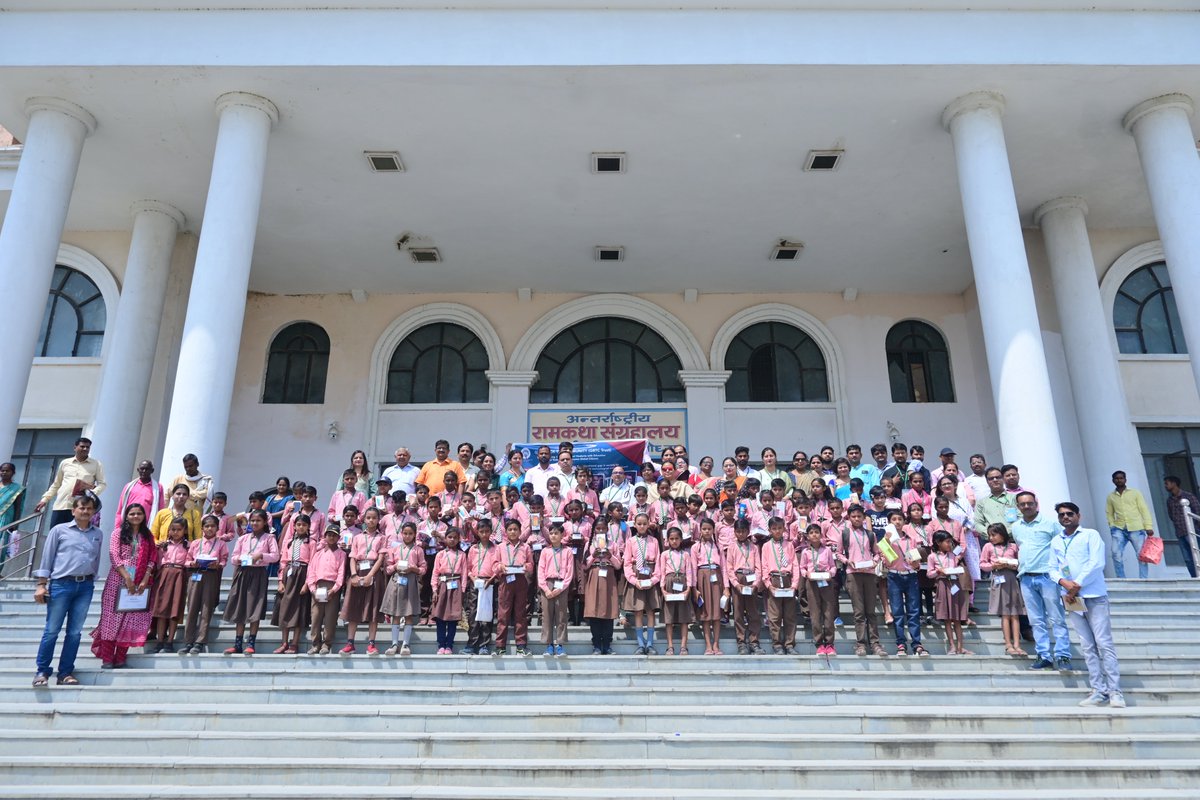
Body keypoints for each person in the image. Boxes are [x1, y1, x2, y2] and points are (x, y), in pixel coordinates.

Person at [1050, 501, 1124, 707]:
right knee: (1087, 645)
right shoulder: (1056, 540)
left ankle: (1115, 691)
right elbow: (1052, 567)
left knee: (1103, 643)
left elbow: (1097, 563)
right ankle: (1098, 689)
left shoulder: (1090, 535)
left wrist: (1077, 584)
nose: (1065, 517)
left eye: (1069, 514)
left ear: (1078, 516)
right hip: (1071, 598)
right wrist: (1063, 582)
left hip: (1093, 595)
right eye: (1062, 515)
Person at [34, 493, 104, 686]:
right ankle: (42, 671)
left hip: (85, 586)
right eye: (82, 508)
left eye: (89, 508)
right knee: (52, 630)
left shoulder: (97, 534)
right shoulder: (59, 530)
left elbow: (96, 560)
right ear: (73, 510)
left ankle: (65, 672)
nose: (85, 511)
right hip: (61, 584)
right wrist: (41, 584)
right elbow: (47, 557)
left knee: (74, 632)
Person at [87, 500, 153, 671]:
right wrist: (127, 579)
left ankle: (120, 658)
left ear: (144, 516)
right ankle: (108, 659)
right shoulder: (117, 533)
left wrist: (145, 579)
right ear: (126, 516)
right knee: (111, 619)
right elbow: (114, 556)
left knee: (131, 620)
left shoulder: (148, 535)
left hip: (140, 582)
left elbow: (152, 558)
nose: (135, 516)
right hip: (117, 580)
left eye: (139, 513)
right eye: (132, 513)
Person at [1012, 491, 1072, 672]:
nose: (1026, 507)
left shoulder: (1051, 524)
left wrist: (1066, 577)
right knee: (1036, 620)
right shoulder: (1016, 527)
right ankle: (1044, 655)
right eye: (1022, 504)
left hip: (1047, 577)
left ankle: (1062, 655)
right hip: (1026, 578)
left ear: (1036, 504)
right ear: (1018, 507)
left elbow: (1062, 550)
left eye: (1029, 503)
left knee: (1056, 618)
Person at [223, 509, 279, 655]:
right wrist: (242, 558)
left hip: (258, 573)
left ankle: (251, 643)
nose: (254, 523)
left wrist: (261, 555)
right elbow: (233, 558)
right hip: (243, 572)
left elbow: (275, 556)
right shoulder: (243, 538)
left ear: (265, 522)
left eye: (258, 520)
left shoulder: (269, 538)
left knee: (255, 608)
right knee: (240, 607)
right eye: (252, 520)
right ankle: (237, 643)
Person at [840, 504, 886, 657]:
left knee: (870, 611)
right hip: (853, 573)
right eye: (853, 516)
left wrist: (875, 561)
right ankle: (860, 644)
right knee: (859, 611)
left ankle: (875, 643)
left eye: (859, 516)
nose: (857, 519)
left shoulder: (870, 534)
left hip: (869, 573)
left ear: (863, 518)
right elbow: (839, 553)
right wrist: (847, 561)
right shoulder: (845, 534)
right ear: (849, 518)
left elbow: (878, 553)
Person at [340, 507, 387, 655]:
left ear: (378, 519)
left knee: (373, 609)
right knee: (353, 608)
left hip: (373, 573)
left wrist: (370, 576)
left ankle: (371, 644)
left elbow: (380, 559)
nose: (371, 520)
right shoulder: (358, 537)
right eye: (368, 518)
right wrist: (353, 575)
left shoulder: (382, 538)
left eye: (374, 518)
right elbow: (353, 557)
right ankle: (350, 643)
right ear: (364, 519)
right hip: (358, 571)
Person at [181, 514, 228, 655]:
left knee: (206, 609)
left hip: (211, 575)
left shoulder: (221, 544)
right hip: (195, 575)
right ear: (202, 528)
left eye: (212, 526)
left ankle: (200, 642)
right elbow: (187, 560)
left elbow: (224, 560)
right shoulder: (195, 543)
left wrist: (218, 564)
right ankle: (188, 641)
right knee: (192, 607)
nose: (209, 529)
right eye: (206, 526)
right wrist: (192, 563)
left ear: (217, 528)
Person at [35, 437, 106, 528]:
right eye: (82, 446)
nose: (85, 449)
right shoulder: (65, 463)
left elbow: (102, 484)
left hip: (81, 508)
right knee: (56, 533)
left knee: (76, 536)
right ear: (75, 448)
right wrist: (44, 500)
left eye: (87, 447)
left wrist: (91, 494)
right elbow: (57, 484)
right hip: (61, 505)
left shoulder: (96, 464)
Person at [979, 523, 1025, 656]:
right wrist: (993, 566)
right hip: (999, 579)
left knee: (1015, 613)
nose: (991, 538)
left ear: (1002, 534)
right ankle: (1008, 644)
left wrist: (1010, 565)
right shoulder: (988, 546)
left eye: (994, 535)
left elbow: (1020, 563)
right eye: (989, 535)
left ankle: (1017, 644)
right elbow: (982, 563)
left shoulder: (1013, 547)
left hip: (1012, 578)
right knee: (1005, 613)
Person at [273, 513, 314, 654]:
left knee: (299, 609)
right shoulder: (289, 541)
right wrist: (280, 581)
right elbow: (283, 561)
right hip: (288, 574)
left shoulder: (312, 542)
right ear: (294, 526)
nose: (301, 527)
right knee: (285, 609)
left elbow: (313, 564)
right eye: (298, 524)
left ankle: (294, 643)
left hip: (302, 574)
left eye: (304, 525)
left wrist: (307, 584)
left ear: (308, 526)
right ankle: (284, 642)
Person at [382, 521, 425, 656]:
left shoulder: (418, 550)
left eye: (410, 534)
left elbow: (423, 568)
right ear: (401, 534)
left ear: (415, 535)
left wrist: (414, 569)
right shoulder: (395, 549)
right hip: (396, 581)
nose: (407, 536)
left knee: (408, 613)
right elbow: (388, 568)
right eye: (405, 533)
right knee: (396, 613)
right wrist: (395, 567)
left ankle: (405, 643)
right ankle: (395, 643)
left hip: (410, 581)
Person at [494, 519, 534, 656]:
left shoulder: (526, 547)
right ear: (506, 531)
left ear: (520, 531)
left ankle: (521, 645)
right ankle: (500, 646)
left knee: (520, 613)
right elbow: (495, 565)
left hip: (520, 580)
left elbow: (531, 565)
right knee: (503, 613)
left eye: (515, 529)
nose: (513, 532)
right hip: (506, 580)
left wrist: (526, 567)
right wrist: (501, 567)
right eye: (510, 529)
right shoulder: (500, 547)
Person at [623, 513, 662, 655]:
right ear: (635, 525)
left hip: (650, 576)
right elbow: (627, 563)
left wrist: (654, 579)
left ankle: (650, 644)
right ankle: (641, 644)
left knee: (650, 611)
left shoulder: (654, 541)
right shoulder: (631, 541)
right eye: (639, 524)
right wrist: (634, 580)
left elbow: (658, 561)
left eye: (644, 523)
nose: (642, 526)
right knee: (638, 611)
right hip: (637, 577)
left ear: (648, 524)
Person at [1105, 470, 1155, 579]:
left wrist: (1148, 526)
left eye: (1121, 478)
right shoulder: (1111, 496)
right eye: (1117, 478)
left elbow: (1144, 509)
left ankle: (1143, 578)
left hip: (1136, 528)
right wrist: (1112, 526)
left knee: (1141, 555)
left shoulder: (1135, 493)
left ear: (1125, 480)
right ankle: (1121, 579)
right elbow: (1109, 513)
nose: (1119, 480)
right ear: (1113, 481)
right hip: (1119, 529)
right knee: (1115, 553)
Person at [927, 531, 970, 655]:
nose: (949, 544)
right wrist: (938, 571)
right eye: (947, 542)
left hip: (955, 584)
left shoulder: (953, 554)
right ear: (938, 543)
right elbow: (929, 574)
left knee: (957, 618)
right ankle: (952, 646)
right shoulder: (932, 556)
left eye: (950, 541)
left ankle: (961, 647)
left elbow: (962, 550)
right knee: (947, 618)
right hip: (942, 584)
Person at [583, 518, 622, 655]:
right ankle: (596, 644)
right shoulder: (589, 544)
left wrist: (609, 555)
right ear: (594, 530)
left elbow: (618, 565)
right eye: (598, 529)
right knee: (594, 610)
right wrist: (593, 556)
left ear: (607, 529)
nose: (600, 531)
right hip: (594, 574)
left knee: (608, 610)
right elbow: (584, 565)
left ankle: (607, 644)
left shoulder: (613, 544)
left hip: (608, 575)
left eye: (603, 528)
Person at [150, 518, 190, 651]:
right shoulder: (163, 546)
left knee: (174, 610)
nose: (176, 532)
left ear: (185, 531)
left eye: (179, 530)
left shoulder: (189, 546)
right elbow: (157, 562)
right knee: (161, 609)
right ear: (169, 531)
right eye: (173, 529)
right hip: (164, 575)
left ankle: (170, 641)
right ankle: (160, 640)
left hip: (179, 575)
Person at [762, 517, 800, 655]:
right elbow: (764, 566)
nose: (777, 531)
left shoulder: (789, 545)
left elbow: (795, 565)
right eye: (774, 529)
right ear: (769, 530)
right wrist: (768, 584)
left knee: (790, 615)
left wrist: (795, 584)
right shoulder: (766, 546)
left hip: (787, 579)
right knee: (775, 616)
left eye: (780, 528)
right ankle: (777, 644)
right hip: (774, 580)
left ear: (784, 529)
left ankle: (789, 644)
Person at [726, 519, 764, 656]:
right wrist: (736, 584)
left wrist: (756, 584)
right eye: (738, 531)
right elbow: (729, 568)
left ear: (748, 532)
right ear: (734, 532)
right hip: (739, 578)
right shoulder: (731, 547)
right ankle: (741, 642)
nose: (741, 534)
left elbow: (759, 566)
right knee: (738, 613)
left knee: (753, 612)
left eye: (744, 531)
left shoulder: (754, 547)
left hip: (751, 578)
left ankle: (754, 642)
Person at [799, 523, 838, 656]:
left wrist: (830, 574)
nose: (814, 535)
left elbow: (833, 567)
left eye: (817, 532)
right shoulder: (805, 552)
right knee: (815, 614)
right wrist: (806, 574)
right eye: (811, 533)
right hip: (812, 583)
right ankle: (819, 644)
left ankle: (830, 644)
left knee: (828, 613)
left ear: (821, 535)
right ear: (807, 536)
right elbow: (802, 568)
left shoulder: (827, 550)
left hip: (826, 582)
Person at [306, 526, 347, 655]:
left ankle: (326, 644)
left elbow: (341, 573)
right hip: (318, 586)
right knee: (316, 616)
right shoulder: (318, 554)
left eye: (334, 535)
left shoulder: (341, 554)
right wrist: (312, 589)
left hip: (332, 587)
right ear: (325, 536)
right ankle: (315, 644)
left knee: (330, 617)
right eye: (329, 535)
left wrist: (334, 589)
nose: (331, 537)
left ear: (338, 538)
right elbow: (311, 572)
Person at [430, 526, 467, 654]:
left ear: (459, 540)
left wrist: (462, 591)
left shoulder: (462, 555)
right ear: (445, 538)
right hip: (442, 585)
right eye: (449, 537)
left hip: (455, 585)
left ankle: (449, 645)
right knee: (440, 617)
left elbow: (464, 573)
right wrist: (434, 589)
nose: (452, 540)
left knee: (453, 617)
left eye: (455, 538)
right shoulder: (440, 554)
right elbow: (435, 573)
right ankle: (441, 644)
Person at [538, 523, 574, 657]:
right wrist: (546, 589)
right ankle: (548, 645)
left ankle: (560, 644)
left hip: (561, 584)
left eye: (556, 533)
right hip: (547, 584)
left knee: (561, 615)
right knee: (547, 615)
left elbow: (570, 572)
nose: (553, 535)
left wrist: (562, 587)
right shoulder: (545, 551)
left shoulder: (568, 551)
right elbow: (540, 571)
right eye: (551, 533)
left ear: (562, 535)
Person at [463, 521, 497, 655]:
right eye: (481, 532)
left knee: (486, 614)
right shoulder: (473, 549)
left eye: (487, 531)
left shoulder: (495, 548)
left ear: (491, 532)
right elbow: (469, 567)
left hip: (489, 582)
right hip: (475, 583)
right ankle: (472, 643)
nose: (484, 534)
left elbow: (497, 566)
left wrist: (491, 579)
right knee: (472, 613)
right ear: (477, 532)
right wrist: (473, 578)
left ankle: (484, 644)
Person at [1164, 475, 1200, 578]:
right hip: (1180, 533)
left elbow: (1197, 511)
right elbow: (1171, 515)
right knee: (1188, 559)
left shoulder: (1188, 496)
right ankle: (1195, 578)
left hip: (1193, 531)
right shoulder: (1169, 500)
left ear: (1174, 483)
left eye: (1167, 483)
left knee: (1197, 555)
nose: (1165, 486)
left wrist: (1196, 529)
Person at [113, 460, 165, 530]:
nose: (144, 471)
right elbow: (120, 510)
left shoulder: (158, 488)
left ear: (152, 470)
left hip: (146, 528)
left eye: (147, 469)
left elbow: (160, 511)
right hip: (128, 526)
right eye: (142, 469)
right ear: (138, 470)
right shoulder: (129, 487)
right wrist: (117, 529)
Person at [0, 461, 25, 571]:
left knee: (2, 546)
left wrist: (15, 525)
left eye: (7, 470)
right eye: (2, 470)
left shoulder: (17, 489)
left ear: (13, 472)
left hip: (6, 519)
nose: (4, 472)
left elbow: (18, 507)